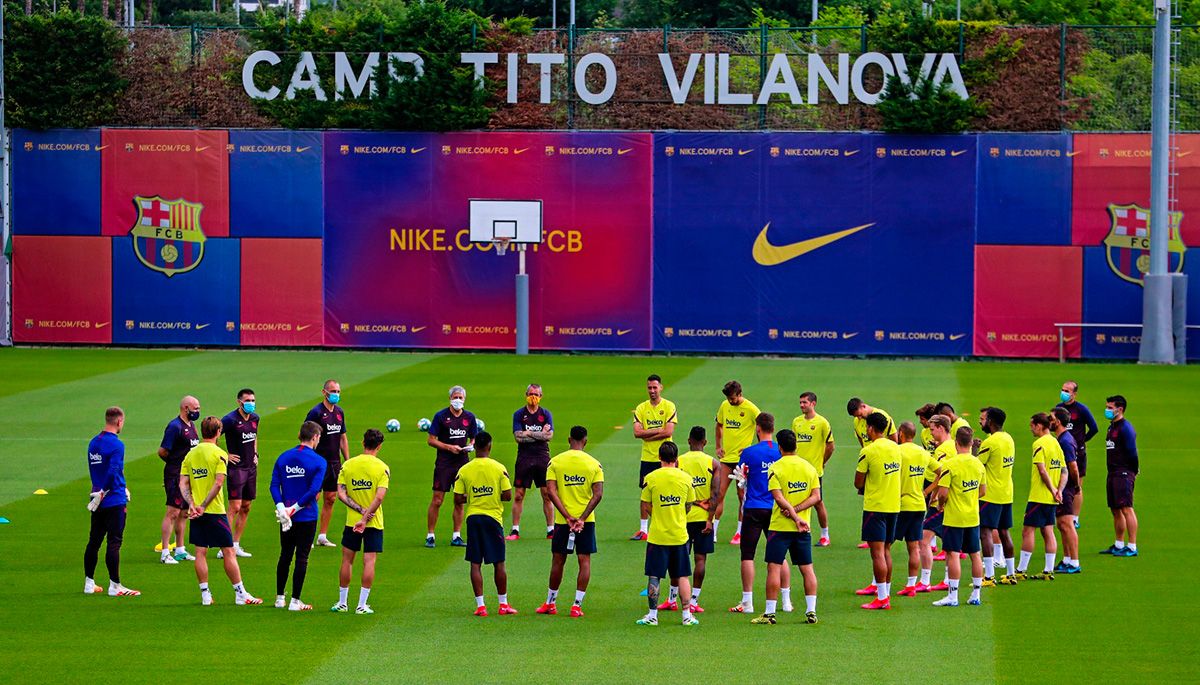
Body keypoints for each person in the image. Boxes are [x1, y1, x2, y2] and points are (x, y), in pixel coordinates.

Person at [180, 417, 261, 606]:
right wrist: (204, 505)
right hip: (214, 510)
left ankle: (205, 595)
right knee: (229, 551)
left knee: (200, 552)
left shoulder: (190, 455)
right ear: (218, 432)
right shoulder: (220, 454)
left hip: (196, 512)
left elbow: (183, 483)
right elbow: (218, 483)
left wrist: (192, 504)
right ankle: (241, 594)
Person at [752, 429, 820, 625]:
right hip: (803, 528)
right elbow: (816, 497)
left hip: (780, 527)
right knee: (807, 569)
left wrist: (791, 513)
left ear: (780, 447)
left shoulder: (776, 468)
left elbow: (778, 497)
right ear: (796, 445)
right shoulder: (809, 468)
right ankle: (811, 611)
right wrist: (799, 514)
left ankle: (770, 614)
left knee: (773, 569)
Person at [538, 426, 604, 618]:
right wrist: (582, 518)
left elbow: (551, 491)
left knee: (558, 560)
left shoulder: (555, 462)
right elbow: (598, 494)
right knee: (584, 561)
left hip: (561, 521)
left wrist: (567, 517)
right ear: (585, 441)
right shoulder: (594, 464)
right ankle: (576, 605)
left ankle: (551, 603)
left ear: (569, 439)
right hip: (586, 522)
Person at [730, 413, 790, 614]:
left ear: (757, 428)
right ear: (772, 428)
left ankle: (747, 602)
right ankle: (786, 600)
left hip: (754, 508)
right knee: (780, 555)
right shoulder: (781, 454)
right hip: (776, 508)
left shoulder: (748, 452)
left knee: (747, 555)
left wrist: (743, 501)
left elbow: (740, 482)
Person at [637, 442, 700, 627]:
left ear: (659, 458)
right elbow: (689, 505)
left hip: (657, 535)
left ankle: (652, 615)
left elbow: (645, 504)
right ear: (677, 458)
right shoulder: (686, 478)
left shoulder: (651, 477)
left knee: (654, 576)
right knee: (682, 575)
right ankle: (687, 615)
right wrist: (678, 515)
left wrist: (657, 515)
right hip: (679, 534)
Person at [452, 432, 514, 617]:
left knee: (475, 562)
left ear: (475, 447)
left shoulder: (464, 470)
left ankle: (481, 606)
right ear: (490, 446)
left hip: (473, 518)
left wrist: (473, 495)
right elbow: (508, 495)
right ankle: (503, 605)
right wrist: (492, 495)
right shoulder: (499, 468)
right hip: (493, 519)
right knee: (499, 563)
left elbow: (457, 498)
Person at [269, 420, 327, 611]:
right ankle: (295, 601)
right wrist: (293, 509)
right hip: (306, 516)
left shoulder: (283, 457)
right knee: (302, 556)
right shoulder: (319, 461)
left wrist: (281, 509)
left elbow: (273, 486)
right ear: (315, 437)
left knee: (285, 555)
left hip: (285, 517)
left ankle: (279, 598)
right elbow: (313, 491)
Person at [333, 429, 390, 614]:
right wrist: (366, 517)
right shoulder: (382, 467)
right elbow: (380, 497)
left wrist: (359, 512)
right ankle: (361, 605)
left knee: (347, 560)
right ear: (379, 446)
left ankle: (342, 603)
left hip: (352, 521)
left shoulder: (348, 465)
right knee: (369, 561)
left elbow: (341, 493)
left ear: (362, 442)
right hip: (374, 522)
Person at [663, 426, 720, 614]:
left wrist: (692, 502)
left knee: (678, 558)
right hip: (704, 519)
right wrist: (710, 519)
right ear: (705, 442)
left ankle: (672, 599)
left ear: (688, 441)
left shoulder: (679, 461)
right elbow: (716, 494)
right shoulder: (713, 463)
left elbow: (674, 487)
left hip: (682, 518)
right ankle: (694, 600)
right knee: (700, 559)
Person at [84, 406, 139, 597]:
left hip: (96, 500)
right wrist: (106, 491)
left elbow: (99, 470)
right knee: (114, 542)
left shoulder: (93, 443)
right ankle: (115, 585)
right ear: (119, 421)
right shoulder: (117, 445)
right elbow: (113, 470)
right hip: (112, 499)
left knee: (94, 541)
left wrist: (99, 492)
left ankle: (89, 583)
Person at [932, 426, 986, 607]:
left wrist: (940, 506)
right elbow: (983, 491)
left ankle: (953, 596)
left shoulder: (950, 465)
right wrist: (968, 497)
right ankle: (976, 594)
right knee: (975, 554)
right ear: (971, 443)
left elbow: (943, 493)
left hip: (954, 517)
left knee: (953, 554)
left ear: (956, 443)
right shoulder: (978, 464)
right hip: (973, 516)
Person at [854, 412, 902, 610]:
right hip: (894, 506)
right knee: (887, 550)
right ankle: (886, 594)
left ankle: (881, 598)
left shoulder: (868, 451)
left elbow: (858, 481)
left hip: (875, 507)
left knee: (877, 554)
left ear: (871, 429)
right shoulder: (896, 448)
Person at [1014, 413, 1066, 581]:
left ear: (1039, 425)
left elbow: (1042, 470)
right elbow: (1064, 471)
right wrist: (1059, 491)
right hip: (1052, 498)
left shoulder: (1039, 444)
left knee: (1027, 531)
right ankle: (1048, 570)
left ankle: (1021, 570)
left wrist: (1052, 489)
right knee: (1048, 530)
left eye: (1032, 425)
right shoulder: (1056, 443)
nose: (1031, 428)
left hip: (1039, 496)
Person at [426, 385, 477, 548]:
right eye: (455, 397)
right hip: (444, 463)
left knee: (459, 500)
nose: (458, 400)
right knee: (437, 499)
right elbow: (431, 440)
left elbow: (473, 438)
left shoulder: (470, 417)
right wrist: (449, 447)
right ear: (450, 398)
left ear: (465, 399)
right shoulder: (441, 416)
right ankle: (430, 535)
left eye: (460, 398)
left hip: (462, 463)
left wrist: (470, 446)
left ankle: (456, 535)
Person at [631, 374, 678, 541]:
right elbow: (637, 432)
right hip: (648, 458)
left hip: (666, 458)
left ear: (661, 388)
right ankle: (644, 529)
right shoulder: (641, 408)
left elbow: (669, 431)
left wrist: (648, 435)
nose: (652, 390)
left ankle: (669, 525)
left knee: (669, 492)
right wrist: (658, 431)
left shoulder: (669, 406)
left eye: (655, 387)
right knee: (645, 493)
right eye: (649, 387)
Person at [713, 380, 761, 545]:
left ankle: (739, 533)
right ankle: (713, 531)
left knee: (742, 496)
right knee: (719, 493)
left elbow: (763, 428)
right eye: (728, 399)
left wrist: (754, 449)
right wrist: (718, 446)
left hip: (743, 461)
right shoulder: (724, 405)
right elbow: (719, 425)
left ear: (740, 394)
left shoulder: (751, 409)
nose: (730, 401)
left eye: (733, 398)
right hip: (727, 459)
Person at [895, 421, 937, 597]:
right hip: (919, 504)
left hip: (901, 504)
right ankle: (911, 586)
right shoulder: (923, 452)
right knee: (913, 547)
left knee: (883, 547)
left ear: (901, 433)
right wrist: (927, 491)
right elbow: (941, 471)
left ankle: (879, 585)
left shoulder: (897, 451)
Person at [976, 407, 1017, 586]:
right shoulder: (1008, 438)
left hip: (990, 495)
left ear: (991, 421)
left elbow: (976, 466)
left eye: (983, 419)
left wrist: (973, 450)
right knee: (1004, 532)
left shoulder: (990, 443)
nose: (981, 422)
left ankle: (989, 576)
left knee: (985, 533)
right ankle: (1010, 573)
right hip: (1006, 493)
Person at [508, 383, 555, 541]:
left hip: (542, 455)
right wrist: (539, 433)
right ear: (526, 394)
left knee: (547, 494)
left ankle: (551, 530)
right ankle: (515, 530)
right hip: (524, 457)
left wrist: (528, 432)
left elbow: (549, 436)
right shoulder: (519, 414)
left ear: (541, 396)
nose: (533, 397)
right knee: (519, 495)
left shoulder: (546, 414)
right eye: (531, 394)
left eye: (536, 394)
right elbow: (518, 437)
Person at [305, 379, 348, 548]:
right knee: (313, 497)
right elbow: (305, 436)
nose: (336, 394)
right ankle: (307, 535)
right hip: (317, 463)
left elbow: (342, 437)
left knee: (330, 498)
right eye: (333, 391)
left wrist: (347, 460)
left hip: (334, 462)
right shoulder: (316, 413)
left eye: (338, 391)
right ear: (324, 392)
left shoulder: (339, 412)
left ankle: (322, 535)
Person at [158, 395, 200, 564]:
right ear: (185, 408)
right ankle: (165, 552)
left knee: (183, 512)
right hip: (176, 475)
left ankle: (180, 549)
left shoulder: (192, 425)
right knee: (172, 512)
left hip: (188, 476)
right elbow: (162, 451)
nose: (198, 411)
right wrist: (175, 464)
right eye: (195, 408)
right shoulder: (174, 427)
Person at [791, 391, 834, 546]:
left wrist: (822, 462)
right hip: (797, 469)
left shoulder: (822, 423)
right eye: (800, 402)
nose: (802, 405)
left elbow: (830, 446)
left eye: (805, 402)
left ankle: (825, 535)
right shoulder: (796, 422)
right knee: (795, 498)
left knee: (817, 502)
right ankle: (797, 529)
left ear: (813, 403)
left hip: (814, 471)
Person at [220, 388, 259, 559]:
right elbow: (211, 437)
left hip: (251, 468)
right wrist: (225, 455)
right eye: (247, 401)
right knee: (234, 507)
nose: (251, 403)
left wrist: (256, 453)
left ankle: (235, 544)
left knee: (246, 506)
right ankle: (224, 545)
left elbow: (254, 436)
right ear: (239, 402)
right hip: (236, 469)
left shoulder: (255, 418)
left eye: (252, 400)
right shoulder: (229, 420)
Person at [1099, 395, 1139, 558]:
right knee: (1115, 509)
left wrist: (1133, 471)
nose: (1107, 410)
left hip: (1123, 473)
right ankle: (1119, 544)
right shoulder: (1112, 427)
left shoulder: (1125, 428)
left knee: (1126, 508)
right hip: (1113, 473)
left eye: (1110, 407)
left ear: (1120, 409)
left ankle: (1132, 545)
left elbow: (1132, 452)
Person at [1056, 380, 1099, 529]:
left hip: (1077, 453)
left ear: (1074, 394)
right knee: (1060, 481)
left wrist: (1082, 440)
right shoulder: (1058, 408)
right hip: (1061, 451)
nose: (1064, 393)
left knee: (1077, 485)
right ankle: (1062, 512)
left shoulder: (1081, 410)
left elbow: (1094, 428)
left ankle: (1075, 517)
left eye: (1067, 391)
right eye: (1063, 390)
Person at [920, 415, 955, 585]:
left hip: (941, 502)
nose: (931, 433)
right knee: (948, 542)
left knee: (923, 540)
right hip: (954, 501)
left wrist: (929, 494)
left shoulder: (943, 450)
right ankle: (948, 580)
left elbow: (942, 475)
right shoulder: (954, 445)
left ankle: (925, 581)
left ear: (941, 428)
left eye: (932, 429)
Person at [1051, 408, 1082, 574]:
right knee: (1062, 525)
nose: (1049, 421)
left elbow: (1073, 466)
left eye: (1052, 418)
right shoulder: (1062, 438)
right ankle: (1067, 559)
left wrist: (1076, 486)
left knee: (1067, 524)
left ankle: (1075, 562)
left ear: (1059, 421)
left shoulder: (1065, 441)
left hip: (1066, 487)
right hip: (1064, 486)